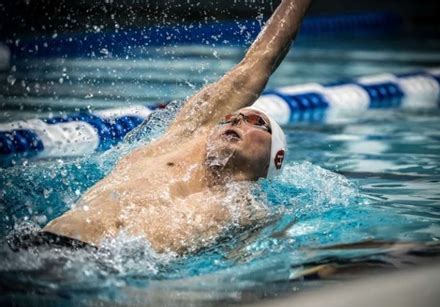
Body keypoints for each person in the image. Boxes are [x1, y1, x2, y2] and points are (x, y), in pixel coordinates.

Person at [39, 0, 313, 254]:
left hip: (116, 273)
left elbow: (264, 61)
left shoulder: (253, 213)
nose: (236, 120)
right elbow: (253, 63)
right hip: (51, 244)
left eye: (255, 121)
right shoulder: (182, 141)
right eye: (228, 118)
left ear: (276, 157)